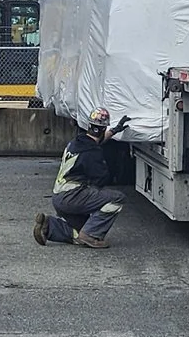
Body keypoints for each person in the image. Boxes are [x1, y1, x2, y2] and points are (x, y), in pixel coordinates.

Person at [35, 107, 128, 249]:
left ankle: (49, 226)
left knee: (82, 230)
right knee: (117, 198)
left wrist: (114, 131)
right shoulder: (93, 152)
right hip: (72, 197)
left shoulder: (76, 143)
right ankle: (90, 235)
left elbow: (96, 141)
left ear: (89, 126)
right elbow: (101, 178)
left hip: (59, 198)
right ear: (103, 129)